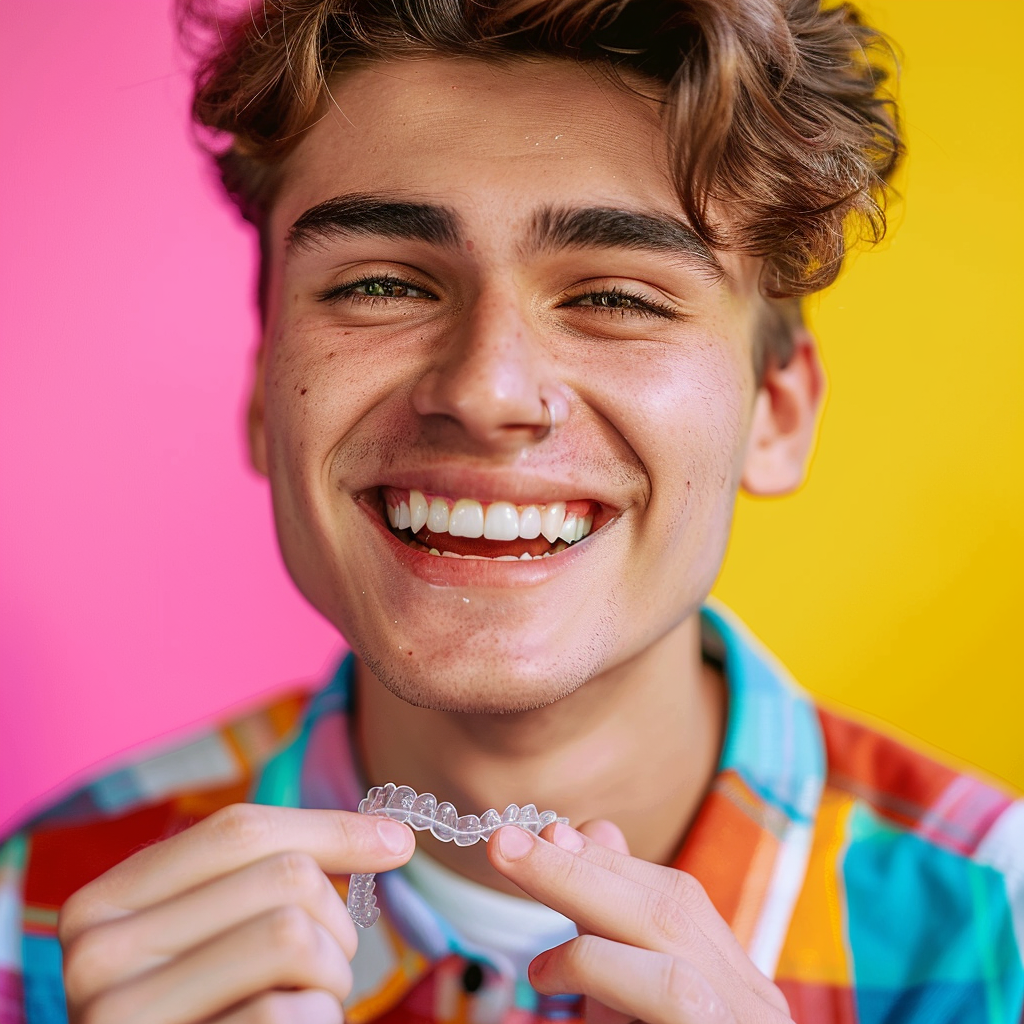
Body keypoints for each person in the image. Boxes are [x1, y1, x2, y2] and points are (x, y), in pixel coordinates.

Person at [2, 1, 1021, 1022]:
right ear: (264, 390)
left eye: (617, 298)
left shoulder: (999, 922)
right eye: (381, 284)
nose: (486, 391)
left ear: (777, 411)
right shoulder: (28, 918)